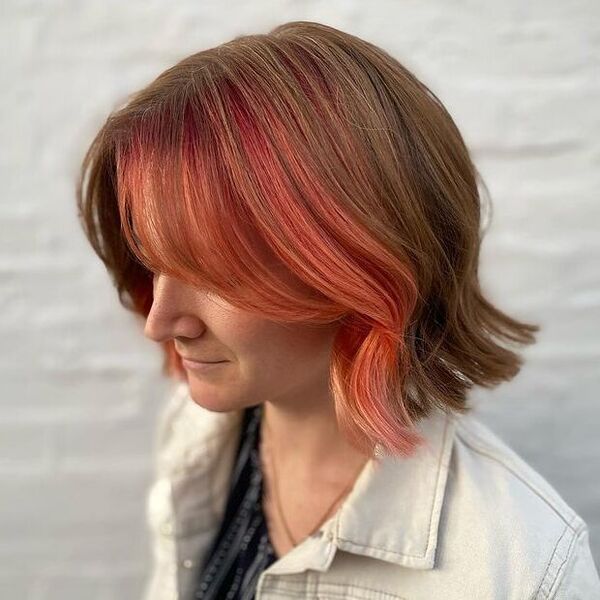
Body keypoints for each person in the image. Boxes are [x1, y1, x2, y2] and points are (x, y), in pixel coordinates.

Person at [75, 20, 600, 600]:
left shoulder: (520, 569)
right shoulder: (199, 436)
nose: (161, 321)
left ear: (361, 268)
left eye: (214, 274)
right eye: (154, 260)